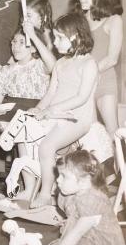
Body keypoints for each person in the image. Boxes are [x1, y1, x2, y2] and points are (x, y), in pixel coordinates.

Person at [0, 150, 126, 245]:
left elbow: (76, 234)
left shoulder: (94, 200)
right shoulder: (76, 193)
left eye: (64, 176)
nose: (58, 180)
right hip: (84, 241)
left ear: (84, 181)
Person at [28, 12, 98, 208]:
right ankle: (28, 188)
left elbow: (81, 97)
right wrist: (39, 108)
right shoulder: (60, 63)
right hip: (55, 114)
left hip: (76, 118)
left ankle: (45, 194)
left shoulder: (88, 63)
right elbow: (50, 93)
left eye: (59, 37)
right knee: (24, 137)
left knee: (46, 147)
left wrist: (52, 110)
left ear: (75, 36)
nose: (54, 41)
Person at [0, 27, 52, 200]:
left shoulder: (41, 66)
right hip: (10, 111)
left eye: (21, 43)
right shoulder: (6, 70)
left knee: (21, 130)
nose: (15, 46)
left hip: (36, 111)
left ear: (33, 48)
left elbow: (53, 65)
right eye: (13, 42)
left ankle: (30, 187)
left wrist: (32, 36)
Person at [75, 0, 123, 137]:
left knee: (113, 133)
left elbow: (112, 58)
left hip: (104, 83)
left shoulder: (114, 20)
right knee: (85, 133)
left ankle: (120, 163)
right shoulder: (79, 19)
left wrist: (88, 73)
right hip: (80, 84)